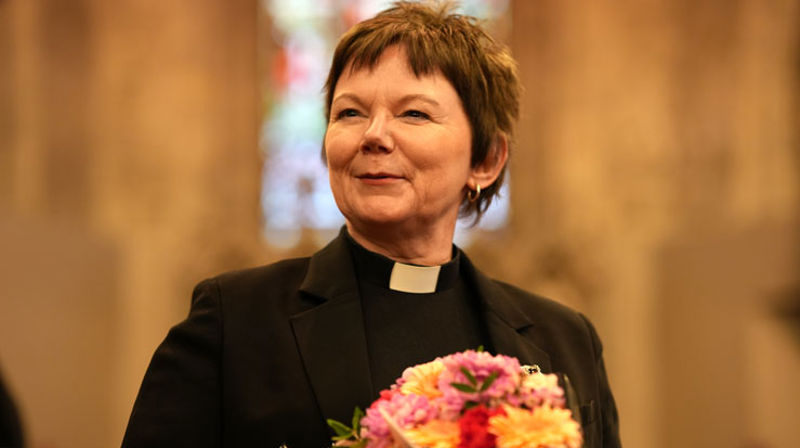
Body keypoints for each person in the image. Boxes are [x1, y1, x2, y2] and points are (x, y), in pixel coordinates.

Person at [122, 2, 621, 447]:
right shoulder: (234, 321)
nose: (374, 136)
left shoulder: (564, 339)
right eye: (351, 112)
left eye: (414, 114)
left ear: (485, 159)